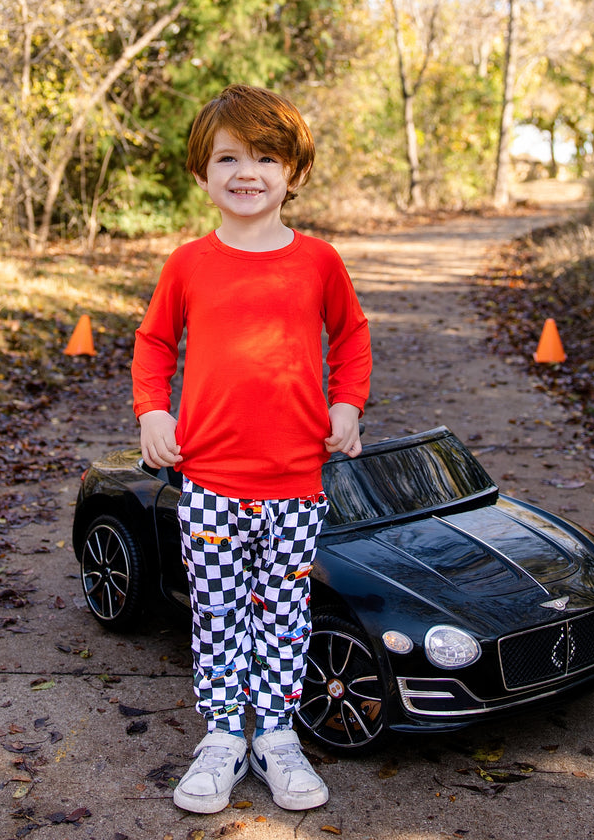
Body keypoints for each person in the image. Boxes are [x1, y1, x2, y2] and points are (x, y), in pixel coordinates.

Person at [131, 83, 372, 814]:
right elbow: (154, 343)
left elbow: (353, 338)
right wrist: (152, 413)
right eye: (229, 157)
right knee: (218, 610)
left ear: (293, 174)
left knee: (284, 610)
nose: (247, 171)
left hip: (297, 483)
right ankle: (222, 738)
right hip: (210, 481)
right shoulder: (189, 264)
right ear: (202, 174)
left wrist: (346, 405)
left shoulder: (319, 262)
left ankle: (276, 735)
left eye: (266, 157)